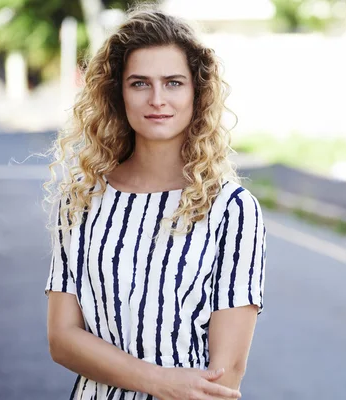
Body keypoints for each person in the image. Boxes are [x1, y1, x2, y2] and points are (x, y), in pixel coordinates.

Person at [43, 6, 267, 400]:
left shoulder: (231, 209)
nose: (157, 99)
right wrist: (158, 381)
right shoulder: (82, 197)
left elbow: (226, 374)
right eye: (140, 83)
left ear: (197, 92)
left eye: (174, 82)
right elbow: (62, 339)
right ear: (118, 92)